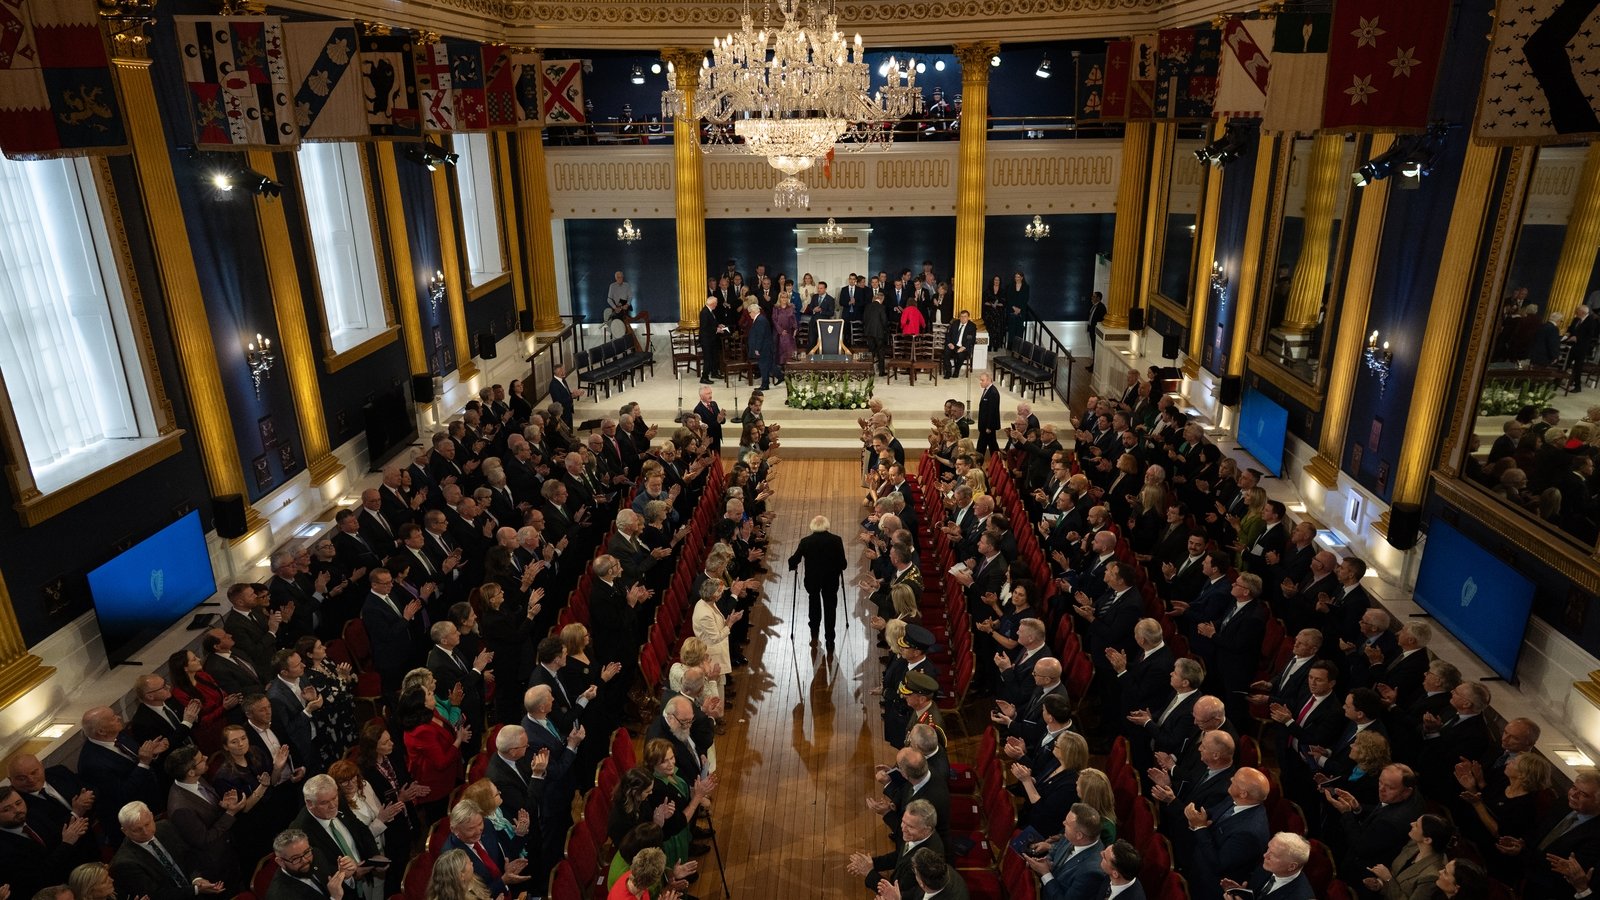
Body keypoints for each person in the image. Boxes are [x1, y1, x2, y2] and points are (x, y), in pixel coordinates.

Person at [786, 515, 849, 645]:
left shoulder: (806, 541)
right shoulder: (836, 540)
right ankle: (830, 638)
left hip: (813, 580)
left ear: (812, 526)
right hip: (831, 580)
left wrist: (792, 564)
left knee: (814, 603)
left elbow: (795, 559)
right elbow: (843, 564)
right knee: (830, 607)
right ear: (827, 526)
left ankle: (814, 633)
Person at [747, 304, 778, 390]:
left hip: (764, 347)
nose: (749, 314)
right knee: (768, 365)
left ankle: (765, 385)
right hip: (765, 346)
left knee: (763, 366)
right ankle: (780, 376)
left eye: (749, 312)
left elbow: (760, 336)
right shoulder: (760, 319)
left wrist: (757, 348)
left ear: (753, 311)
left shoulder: (760, 320)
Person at [699, 296, 726, 384]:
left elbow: (712, 323)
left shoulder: (709, 311)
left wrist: (718, 325)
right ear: (713, 304)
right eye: (716, 303)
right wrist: (716, 330)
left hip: (712, 339)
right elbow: (705, 327)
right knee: (708, 358)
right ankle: (704, 377)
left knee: (714, 356)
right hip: (706, 340)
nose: (717, 305)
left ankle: (714, 373)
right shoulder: (704, 312)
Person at [944, 310, 976, 378]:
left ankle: (956, 370)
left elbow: (971, 339)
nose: (963, 318)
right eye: (961, 316)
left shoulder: (971, 326)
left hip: (964, 347)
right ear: (959, 317)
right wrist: (949, 343)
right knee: (946, 351)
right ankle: (948, 371)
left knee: (960, 355)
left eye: (965, 316)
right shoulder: (955, 323)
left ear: (968, 317)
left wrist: (963, 347)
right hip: (954, 345)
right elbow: (948, 335)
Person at [864, 290, 889, 375]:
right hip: (879, 333)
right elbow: (884, 320)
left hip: (869, 332)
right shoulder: (881, 307)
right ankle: (881, 372)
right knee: (880, 351)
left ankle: (870, 371)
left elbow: (864, 319)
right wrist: (886, 330)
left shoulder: (867, 306)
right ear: (881, 299)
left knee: (871, 352)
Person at [773, 291, 798, 364]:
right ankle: (780, 365)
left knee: (790, 350)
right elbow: (774, 320)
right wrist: (781, 331)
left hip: (789, 332)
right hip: (779, 333)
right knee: (780, 350)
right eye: (782, 297)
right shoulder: (776, 308)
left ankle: (789, 365)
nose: (784, 299)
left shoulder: (791, 307)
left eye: (786, 297)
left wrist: (795, 329)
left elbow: (794, 319)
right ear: (779, 298)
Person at [1087, 291, 1106, 365]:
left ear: (1098, 298)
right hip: (1091, 329)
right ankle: (1093, 365)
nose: (1092, 298)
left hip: (1096, 331)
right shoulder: (1094, 306)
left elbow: (1102, 320)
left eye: (1094, 296)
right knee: (1093, 347)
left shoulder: (1101, 307)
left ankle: (1095, 365)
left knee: (1096, 348)